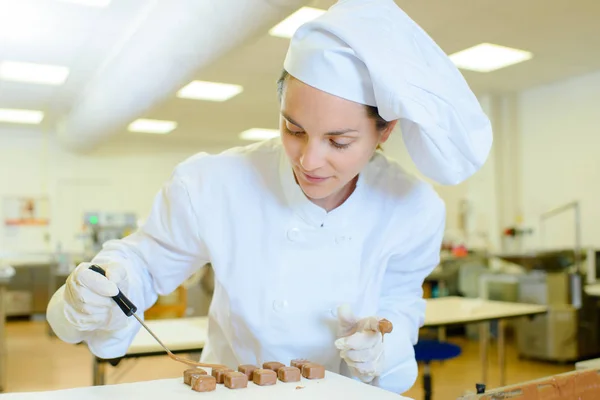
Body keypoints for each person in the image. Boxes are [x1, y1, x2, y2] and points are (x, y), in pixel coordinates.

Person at [46, 0, 492, 394]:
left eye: (338, 141)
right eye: (293, 130)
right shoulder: (214, 183)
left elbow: (400, 303)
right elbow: (145, 263)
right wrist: (111, 280)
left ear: (385, 131)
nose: (310, 160)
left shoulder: (413, 208)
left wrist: (383, 344)